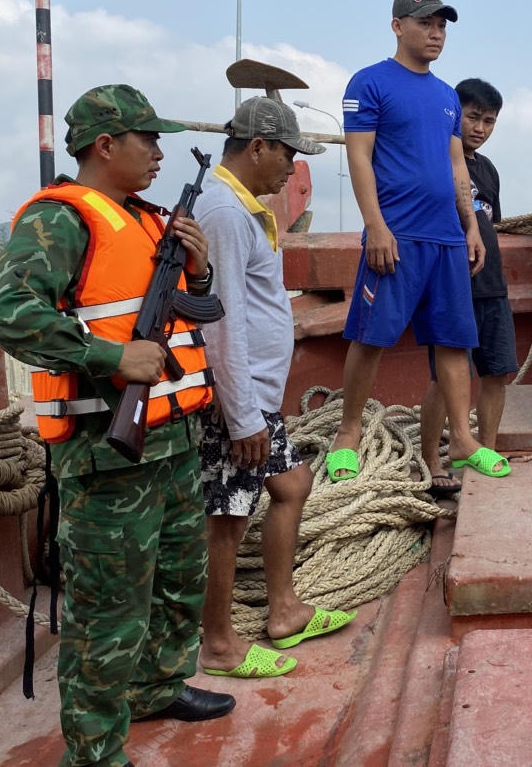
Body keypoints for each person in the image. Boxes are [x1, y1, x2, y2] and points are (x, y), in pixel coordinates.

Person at [0, 85, 234, 767]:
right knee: (109, 614)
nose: (158, 153)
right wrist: (111, 356)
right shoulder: (61, 221)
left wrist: (201, 271)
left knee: (179, 584)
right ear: (105, 145)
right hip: (108, 455)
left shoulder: (153, 222)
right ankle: (93, 754)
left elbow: (194, 315)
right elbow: (7, 315)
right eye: (147, 140)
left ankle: (155, 688)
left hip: (175, 443)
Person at [195, 95, 356, 679]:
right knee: (229, 514)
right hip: (238, 401)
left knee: (290, 484)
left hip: (256, 396)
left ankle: (283, 610)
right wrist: (244, 417)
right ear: (257, 146)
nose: (292, 167)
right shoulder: (225, 214)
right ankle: (217, 643)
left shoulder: (238, 211)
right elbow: (222, 320)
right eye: (287, 153)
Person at [331, 0, 510, 481]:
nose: (436, 33)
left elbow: (457, 164)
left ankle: (465, 440)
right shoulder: (369, 83)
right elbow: (359, 157)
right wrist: (376, 226)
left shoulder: (447, 96)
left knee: (454, 342)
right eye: (426, 23)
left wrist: (470, 225)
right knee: (371, 338)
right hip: (397, 234)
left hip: (447, 239)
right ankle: (347, 433)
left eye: (442, 26)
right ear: (397, 25)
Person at [418, 78, 518, 493]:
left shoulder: (488, 169)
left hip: (492, 286)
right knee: (444, 381)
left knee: (497, 373)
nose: (479, 127)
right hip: (448, 285)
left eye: (489, 121)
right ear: (454, 113)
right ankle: (431, 462)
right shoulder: (435, 161)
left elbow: (490, 223)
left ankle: (485, 448)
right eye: (472, 117)